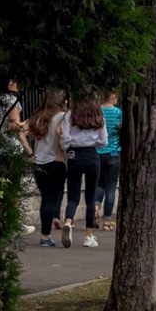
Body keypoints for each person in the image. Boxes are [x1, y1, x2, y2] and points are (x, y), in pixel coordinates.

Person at [61, 93, 109, 247]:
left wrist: (69, 146)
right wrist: (92, 140)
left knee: (73, 195)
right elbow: (104, 141)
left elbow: (65, 139)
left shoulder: (70, 114)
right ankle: (89, 236)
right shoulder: (98, 115)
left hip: (74, 155)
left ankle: (68, 221)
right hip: (91, 155)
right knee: (90, 196)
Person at [26, 94, 69, 247]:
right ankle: (45, 235)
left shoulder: (37, 117)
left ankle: (46, 234)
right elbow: (65, 138)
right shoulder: (62, 117)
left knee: (45, 198)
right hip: (55, 162)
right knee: (51, 200)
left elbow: (22, 132)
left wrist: (30, 152)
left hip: (38, 162)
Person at [96, 90, 123, 228]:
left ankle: (95, 208)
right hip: (114, 152)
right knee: (111, 188)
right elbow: (121, 130)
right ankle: (107, 221)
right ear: (114, 97)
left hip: (98, 151)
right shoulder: (118, 113)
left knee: (99, 184)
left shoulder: (97, 111)